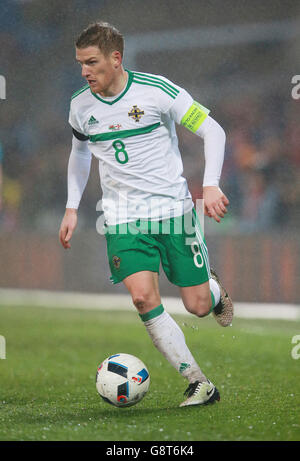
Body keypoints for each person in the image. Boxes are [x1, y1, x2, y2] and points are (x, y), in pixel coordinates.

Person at [59, 22, 233, 407]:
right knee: (142, 298)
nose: (84, 71)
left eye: (91, 62)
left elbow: (214, 131)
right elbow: (80, 152)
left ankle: (213, 289)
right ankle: (199, 383)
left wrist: (211, 184)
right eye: (80, 63)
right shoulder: (79, 106)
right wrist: (72, 206)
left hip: (174, 212)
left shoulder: (156, 91)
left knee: (198, 306)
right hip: (121, 217)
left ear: (116, 58)